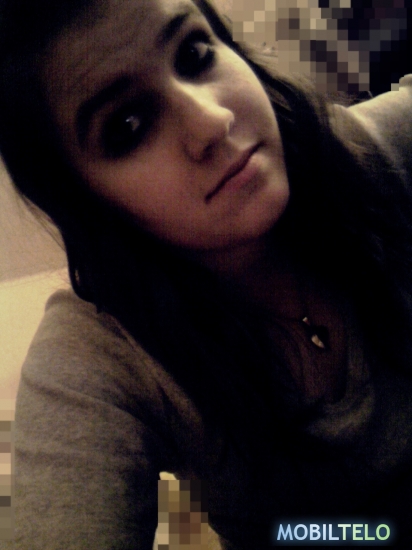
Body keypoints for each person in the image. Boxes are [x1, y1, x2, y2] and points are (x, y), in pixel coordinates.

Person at [0, 0, 412, 548]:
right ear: (84, 198)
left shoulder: (370, 157)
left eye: (194, 54)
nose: (212, 122)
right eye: (128, 125)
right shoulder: (100, 361)